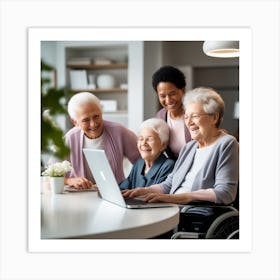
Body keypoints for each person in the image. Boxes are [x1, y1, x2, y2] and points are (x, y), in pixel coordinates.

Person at [122, 87, 239, 205]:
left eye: (195, 116)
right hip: (174, 207)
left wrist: (177, 198)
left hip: (195, 213)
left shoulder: (227, 144)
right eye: (186, 117)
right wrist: (142, 191)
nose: (188, 123)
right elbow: (169, 184)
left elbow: (225, 193)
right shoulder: (189, 147)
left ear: (214, 117)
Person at [64, 92, 140, 189]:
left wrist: (131, 182)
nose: (93, 124)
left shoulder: (119, 131)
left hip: (115, 193)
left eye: (96, 116)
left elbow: (143, 161)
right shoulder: (70, 138)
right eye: (86, 120)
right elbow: (50, 174)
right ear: (75, 122)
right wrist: (69, 180)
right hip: (79, 196)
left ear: (101, 112)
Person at [119, 118, 175, 190]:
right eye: (141, 139)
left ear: (163, 145)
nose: (143, 143)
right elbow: (125, 185)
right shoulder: (139, 163)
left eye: (149, 139)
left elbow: (158, 195)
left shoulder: (168, 166)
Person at [152, 65, 192, 159]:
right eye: (162, 96)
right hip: (175, 168)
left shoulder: (194, 113)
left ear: (183, 90)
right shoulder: (160, 117)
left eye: (172, 94)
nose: (168, 100)